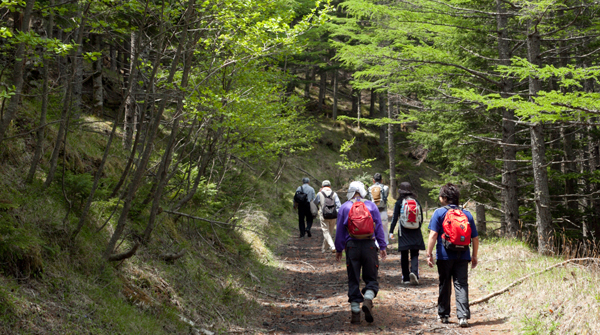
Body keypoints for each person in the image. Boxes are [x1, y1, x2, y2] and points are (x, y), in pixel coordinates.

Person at [426, 183, 479, 328]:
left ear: (444, 198)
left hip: (444, 255)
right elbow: (475, 238)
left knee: (445, 283)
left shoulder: (439, 213)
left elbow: (433, 234)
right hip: (463, 254)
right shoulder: (467, 214)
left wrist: (429, 253)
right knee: (461, 284)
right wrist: (474, 256)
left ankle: (443, 314)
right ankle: (463, 316)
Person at [335, 181, 387, 324]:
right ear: (363, 191)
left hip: (352, 246)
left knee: (353, 278)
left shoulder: (345, 207)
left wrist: (339, 249)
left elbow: (339, 230)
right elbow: (379, 228)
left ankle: (355, 313)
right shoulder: (371, 205)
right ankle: (368, 299)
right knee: (371, 277)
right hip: (370, 245)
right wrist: (382, 246)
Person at [389, 182, 425, 285]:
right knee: (414, 254)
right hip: (415, 231)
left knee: (404, 255)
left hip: (403, 232)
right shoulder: (416, 202)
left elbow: (395, 218)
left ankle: (405, 278)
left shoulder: (399, 202)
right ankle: (414, 273)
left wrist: (391, 231)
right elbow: (421, 218)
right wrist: (417, 226)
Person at [314, 180, 342, 253]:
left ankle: (332, 246)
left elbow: (315, 202)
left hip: (323, 215)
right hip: (333, 215)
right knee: (330, 232)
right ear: (330, 186)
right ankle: (324, 249)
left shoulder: (320, 193)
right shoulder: (334, 194)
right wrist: (336, 212)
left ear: (322, 186)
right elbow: (339, 205)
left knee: (326, 232)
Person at [367, 173, 390, 245]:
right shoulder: (386, 188)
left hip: (373, 212)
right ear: (381, 180)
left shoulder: (370, 188)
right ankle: (384, 244)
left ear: (373, 180)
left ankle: (376, 245)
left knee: (374, 228)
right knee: (384, 229)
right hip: (383, 211)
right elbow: (386, 196)